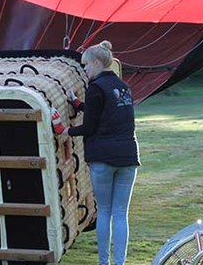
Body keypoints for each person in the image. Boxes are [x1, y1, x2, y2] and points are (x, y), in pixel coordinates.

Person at [67, 40, 140, 265]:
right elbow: (106, 114)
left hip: (103, 157)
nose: (85, 70)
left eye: (86, 66)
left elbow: (89, 127)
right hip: (128, 156)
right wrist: (79, 105)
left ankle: (103, 262)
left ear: (97, 62)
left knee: (105, 212)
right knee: (121, 214)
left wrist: (64, 129)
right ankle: (120, 262)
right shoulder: (123, 87)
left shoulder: (96, 88)